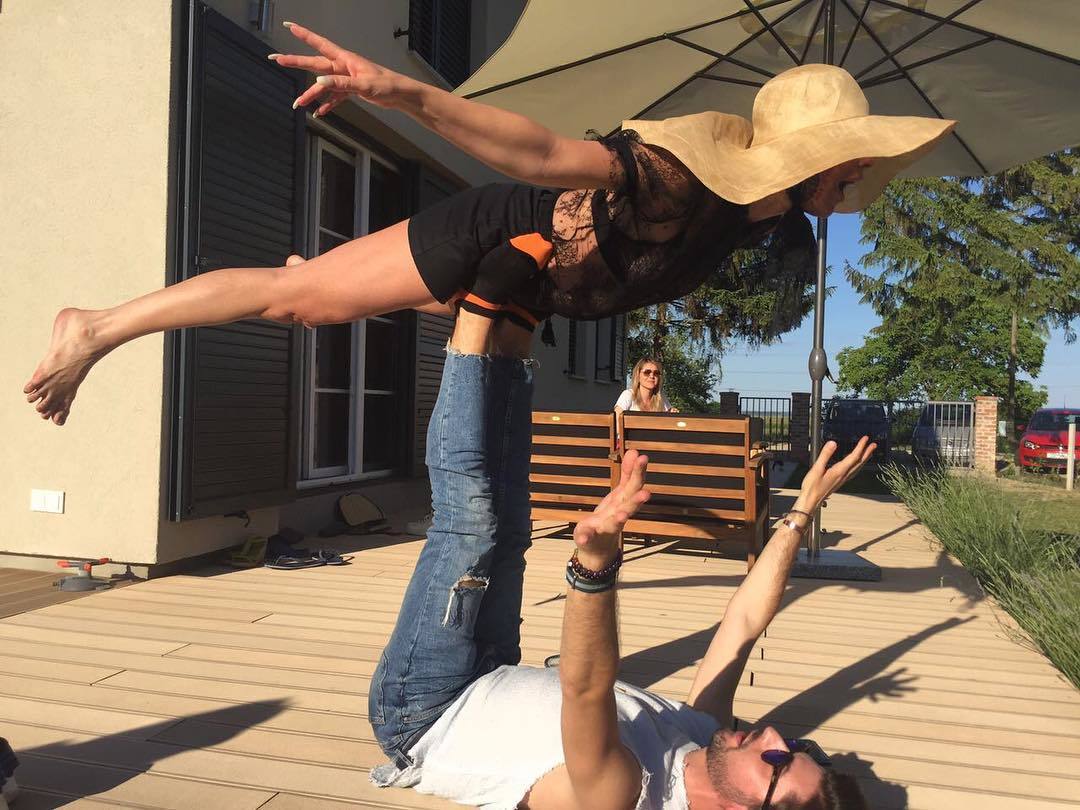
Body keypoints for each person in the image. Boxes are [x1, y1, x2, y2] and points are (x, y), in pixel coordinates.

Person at [24, 21, 954, 426]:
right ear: (807, 157)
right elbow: (542, 156)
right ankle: (94, 327)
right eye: (850, 158)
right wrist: (398, 93)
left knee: (325, 296)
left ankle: (328, 277)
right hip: (503, 232)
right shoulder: (677, 174)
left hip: (534, 290)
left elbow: (635, 275)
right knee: (295, 301)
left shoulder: (764, 219)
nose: (861, 175)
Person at [368, 309, 876, 809]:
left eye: (778, 762)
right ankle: (518, 328)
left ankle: (475, 316)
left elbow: (586, 688)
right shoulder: (701, 736)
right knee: (511, 528)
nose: (773, 735)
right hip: (494, 669)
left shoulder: (624, 793)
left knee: (471, 523)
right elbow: (743, 622)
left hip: (428, 708)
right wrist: (803, 509)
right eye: (793, 746)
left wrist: (595, 566)